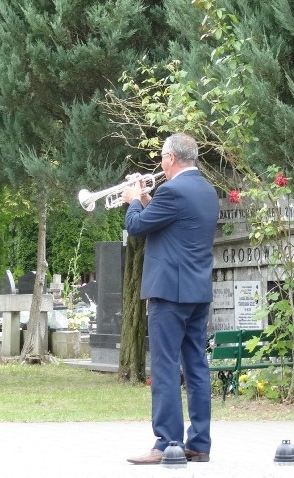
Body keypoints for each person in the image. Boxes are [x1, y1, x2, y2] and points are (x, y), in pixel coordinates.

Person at [122, 133, 220, 465]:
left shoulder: (173, 191)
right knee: (195, 365)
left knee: (164, 366)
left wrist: (134, 198)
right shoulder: (206, 191)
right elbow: (167, 222)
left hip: (168, 293)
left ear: (171, 159)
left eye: (162, 156)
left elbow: (136, 227)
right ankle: (199, 443)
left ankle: (166, 442)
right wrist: (149, 198)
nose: (160, 162)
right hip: (197, 291)